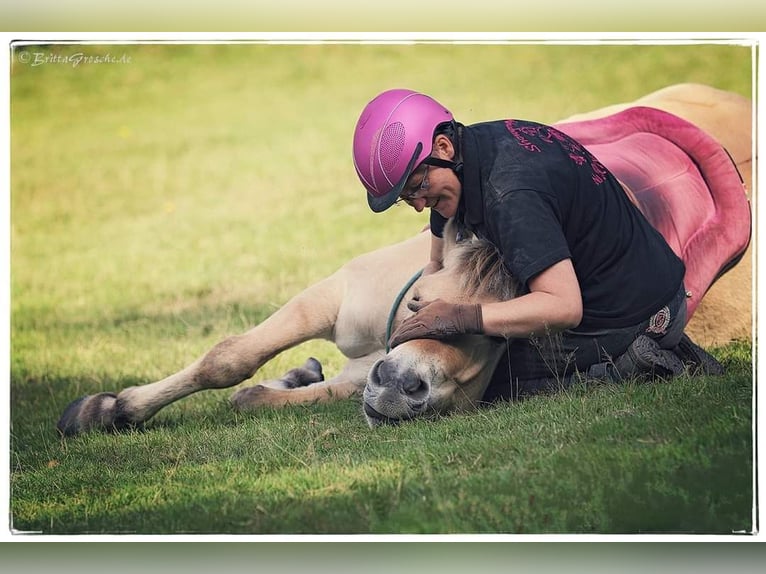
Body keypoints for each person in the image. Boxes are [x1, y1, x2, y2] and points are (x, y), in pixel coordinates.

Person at [352, 88, 722, 392]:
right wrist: (428, 293)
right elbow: (434, 262)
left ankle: (633, 366)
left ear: (444, 148)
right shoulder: (468, 155)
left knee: (485, 374)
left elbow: (563, 307)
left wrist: (462, 317)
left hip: (638, 312)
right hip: (631, 285)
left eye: (418, 188)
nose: (418, 205)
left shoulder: (510, 196)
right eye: (407, 198)